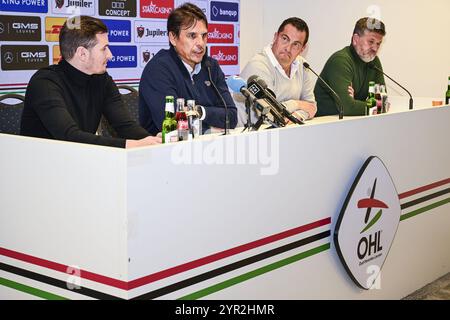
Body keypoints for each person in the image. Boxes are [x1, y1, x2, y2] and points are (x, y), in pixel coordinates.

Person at [20, 16, 161, 148]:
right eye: (104, 48)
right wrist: (130, 145)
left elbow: (125, 125)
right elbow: (69, 137)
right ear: (82, 54)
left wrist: (154, 141)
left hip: (80, 161)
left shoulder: (102, 80)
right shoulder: (45, 83)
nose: (110, 55)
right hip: (41, 166)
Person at [139, 3, 237, 135]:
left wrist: (199, 111)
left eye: (204, 36)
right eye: (192, 36)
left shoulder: (211, 67)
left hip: (207, 148)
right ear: (173, 38)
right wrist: (209, 129)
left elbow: (231, 117)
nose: (201, 43)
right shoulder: (158, 69)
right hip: (163, 150)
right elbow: (172, 123)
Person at [237, 17, 317, 127]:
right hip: (249, 134)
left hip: (279, 132)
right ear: (275, 37)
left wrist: (297, 115)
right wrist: (296, 104)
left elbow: (312, 107)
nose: (288, 48)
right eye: (285, 39)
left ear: (302, 49)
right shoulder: (259, 65)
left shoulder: (302, 66)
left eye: (296, 44)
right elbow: (268, 115)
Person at [314, 17, 386, 116]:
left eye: (378, 44)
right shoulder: (340, 61)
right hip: (325, 124)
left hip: (351, 122)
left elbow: (381, 103)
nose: (375, 48)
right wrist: (372, 105)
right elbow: (347, 107)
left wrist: (355, 102)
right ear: (355, 39)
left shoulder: (374, 62)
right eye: (371, 42)